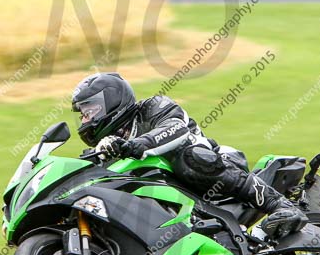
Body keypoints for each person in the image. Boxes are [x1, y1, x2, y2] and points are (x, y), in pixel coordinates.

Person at [71, 72, 307, 239]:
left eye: (90, 111)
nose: (85, 120)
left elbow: (176, 130)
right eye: (82, 114)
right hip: (181, 203)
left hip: (217, 169)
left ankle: (280, 205)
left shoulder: (153, 106)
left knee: (191, 159)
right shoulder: (106, 149)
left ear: (111, 101)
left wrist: (133, 146)